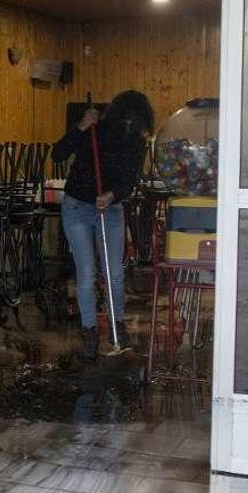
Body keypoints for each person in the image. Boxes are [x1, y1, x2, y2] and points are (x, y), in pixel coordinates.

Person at [52, 90, 153, 362]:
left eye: (135, 124)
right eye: (127, 122)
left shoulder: (136, 143)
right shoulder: (94, 129)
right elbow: (58, 154)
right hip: (76, 206)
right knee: (87, 272)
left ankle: (116, 324)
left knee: (114, 272)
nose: (130, 127)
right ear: (117, 116)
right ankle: (89, 332)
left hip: (109, 208)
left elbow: (129, 180)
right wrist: (81, 127)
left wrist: (111, 196)